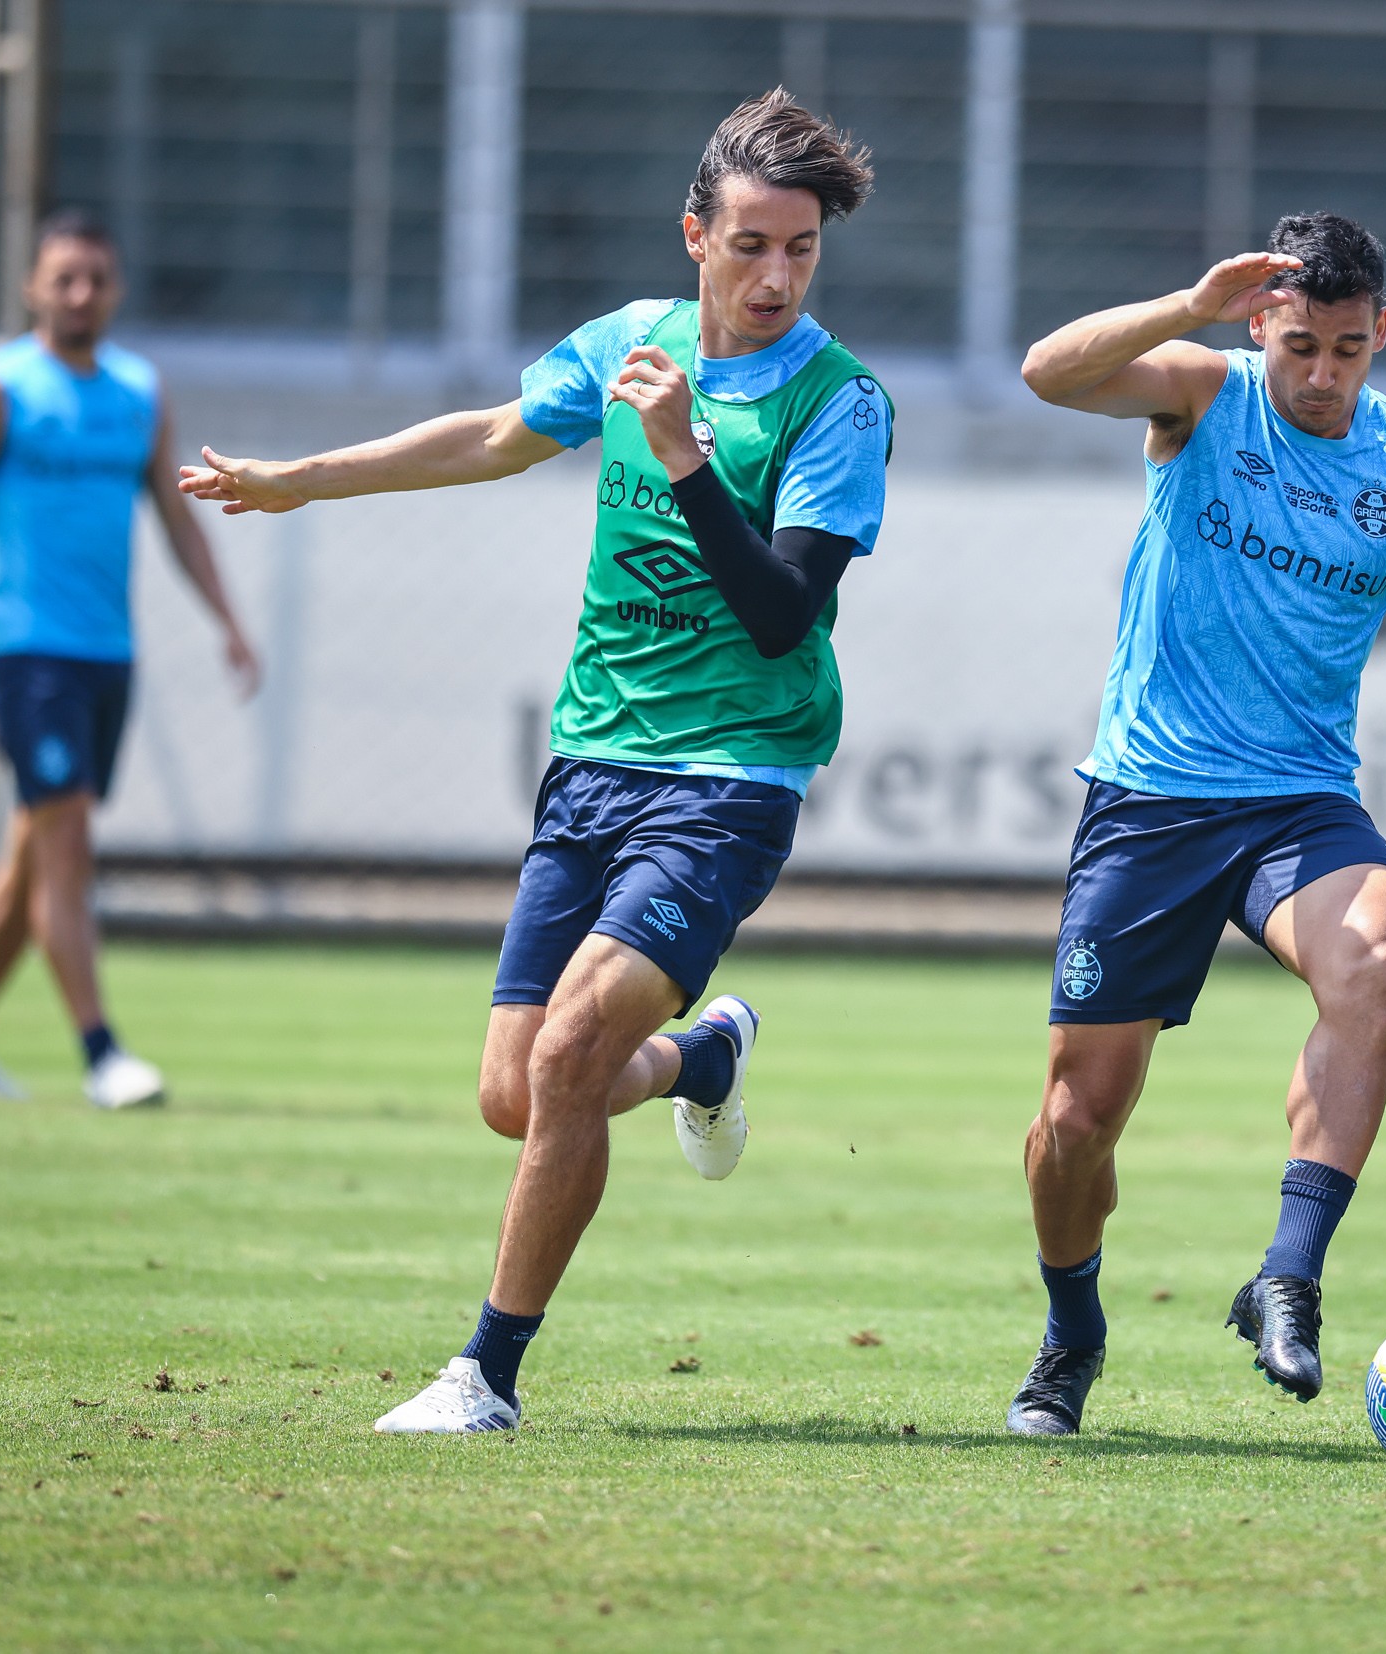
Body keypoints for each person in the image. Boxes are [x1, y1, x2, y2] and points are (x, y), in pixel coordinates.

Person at [177, 91, 891, 1435]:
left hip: (730, 780)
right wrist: (306, 478)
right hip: (593, 763)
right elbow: (498, 434)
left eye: (800, 249)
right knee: (519, 1094)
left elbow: (786, 612)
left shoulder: (841, 404)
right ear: (696, 235)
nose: (777, 275)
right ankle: (701, 1061)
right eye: (750, 244)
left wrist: (687, 462)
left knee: (566, 1058)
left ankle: (484, 1375)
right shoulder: (629, 344)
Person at [1002, 213, 1386, 1436]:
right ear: (1261, 327)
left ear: (1379, 333)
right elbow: (1048, 371)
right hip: (1151, 799)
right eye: (1299, 345)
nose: (1322, 374)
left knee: (1376, 953)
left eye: (1348, 348)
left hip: (1299, 803)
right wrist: (1187, 303)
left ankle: (1287, 1273)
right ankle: (1071, 1327)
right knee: (1076, 1123)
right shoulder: (1202, 393)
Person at [0, 210, 259, 1111]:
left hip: (108, 652)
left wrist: (226, 619)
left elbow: (173, 514)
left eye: (96, 278)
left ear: (116, 289)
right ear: (32, 287)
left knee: (33, 851)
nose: (80, 293)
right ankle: (101, 1053)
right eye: (63, 277)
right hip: (23, 649)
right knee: (63, 842)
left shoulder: (139, 391)